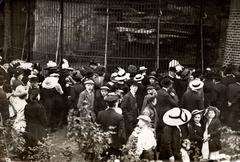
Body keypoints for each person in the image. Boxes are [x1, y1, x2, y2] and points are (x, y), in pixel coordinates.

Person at [97, 92, 126, 159]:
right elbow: (121, 132)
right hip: (114, 144)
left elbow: (97, 128)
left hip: (102, 142)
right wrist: (122, 144)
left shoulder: (100, 114)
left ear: (106, 104)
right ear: (115, 104)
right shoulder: (119, 116)